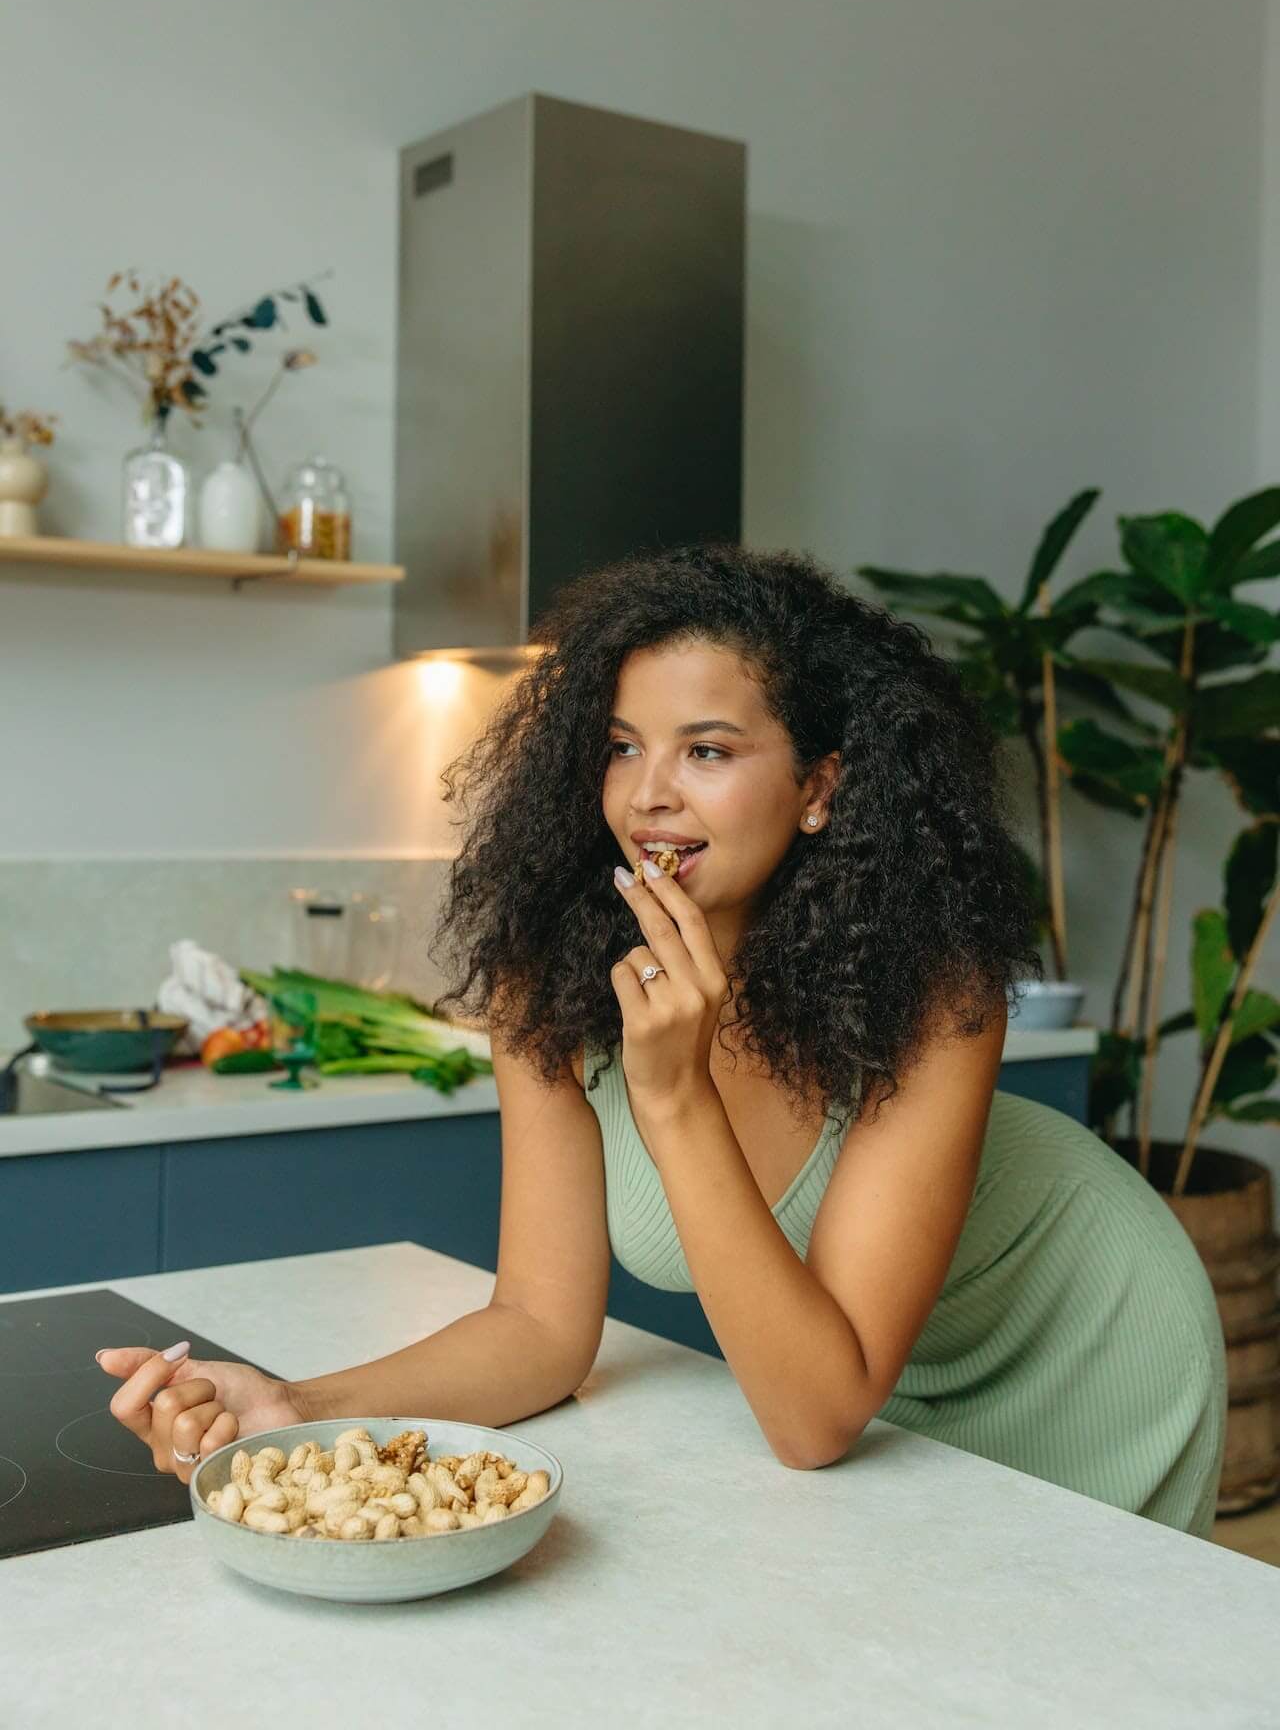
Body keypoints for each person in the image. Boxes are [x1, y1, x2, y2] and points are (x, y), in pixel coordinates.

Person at [99, 543, 1227, 1535]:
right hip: (874, 1402)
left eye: (707, 751)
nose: (648, 796)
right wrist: (296, 1407)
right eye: (621, 747)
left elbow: (811, 1418)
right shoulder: (553, 983)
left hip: (1083, 1348)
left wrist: (674, 1094)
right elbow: (540, 1327)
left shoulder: (931, 990)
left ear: (819, 788)